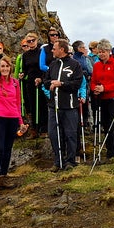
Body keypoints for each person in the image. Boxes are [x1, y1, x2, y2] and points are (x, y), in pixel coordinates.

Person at [0, 56, 27, 195]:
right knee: (0, 149)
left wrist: (21, 122)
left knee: (8, 149)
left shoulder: (16, 83)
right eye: (2, 66)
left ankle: (3, 176)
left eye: (7, 66)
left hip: (13, 119)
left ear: (11, 68)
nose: (5, 69)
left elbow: (17, 104)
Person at [42, 39, 83, 172]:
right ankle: (58, 161)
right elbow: (46, 81)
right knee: (54, 134)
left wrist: (62, 84)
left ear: (62, 50)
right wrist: (50, 84)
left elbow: (77, 83)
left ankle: (71, 161)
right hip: (54, 106)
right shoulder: (52, 64)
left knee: (70, 134)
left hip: (70, 106)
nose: (52, 51)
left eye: (54, 48)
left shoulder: (75, 64)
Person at [19, 32, 47, 136]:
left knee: (42, 105)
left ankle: (44, 129)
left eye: (32, 40)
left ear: (36, 40)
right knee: (32, 105)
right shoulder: (25, 55)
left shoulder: (42, 52)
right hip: (30, 82)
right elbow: (25, 69)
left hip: (41, 81)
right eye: (28, 41)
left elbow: (45, 67)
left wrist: (41, 78)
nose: (31, 43)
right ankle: (35, 128)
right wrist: (22, 74)